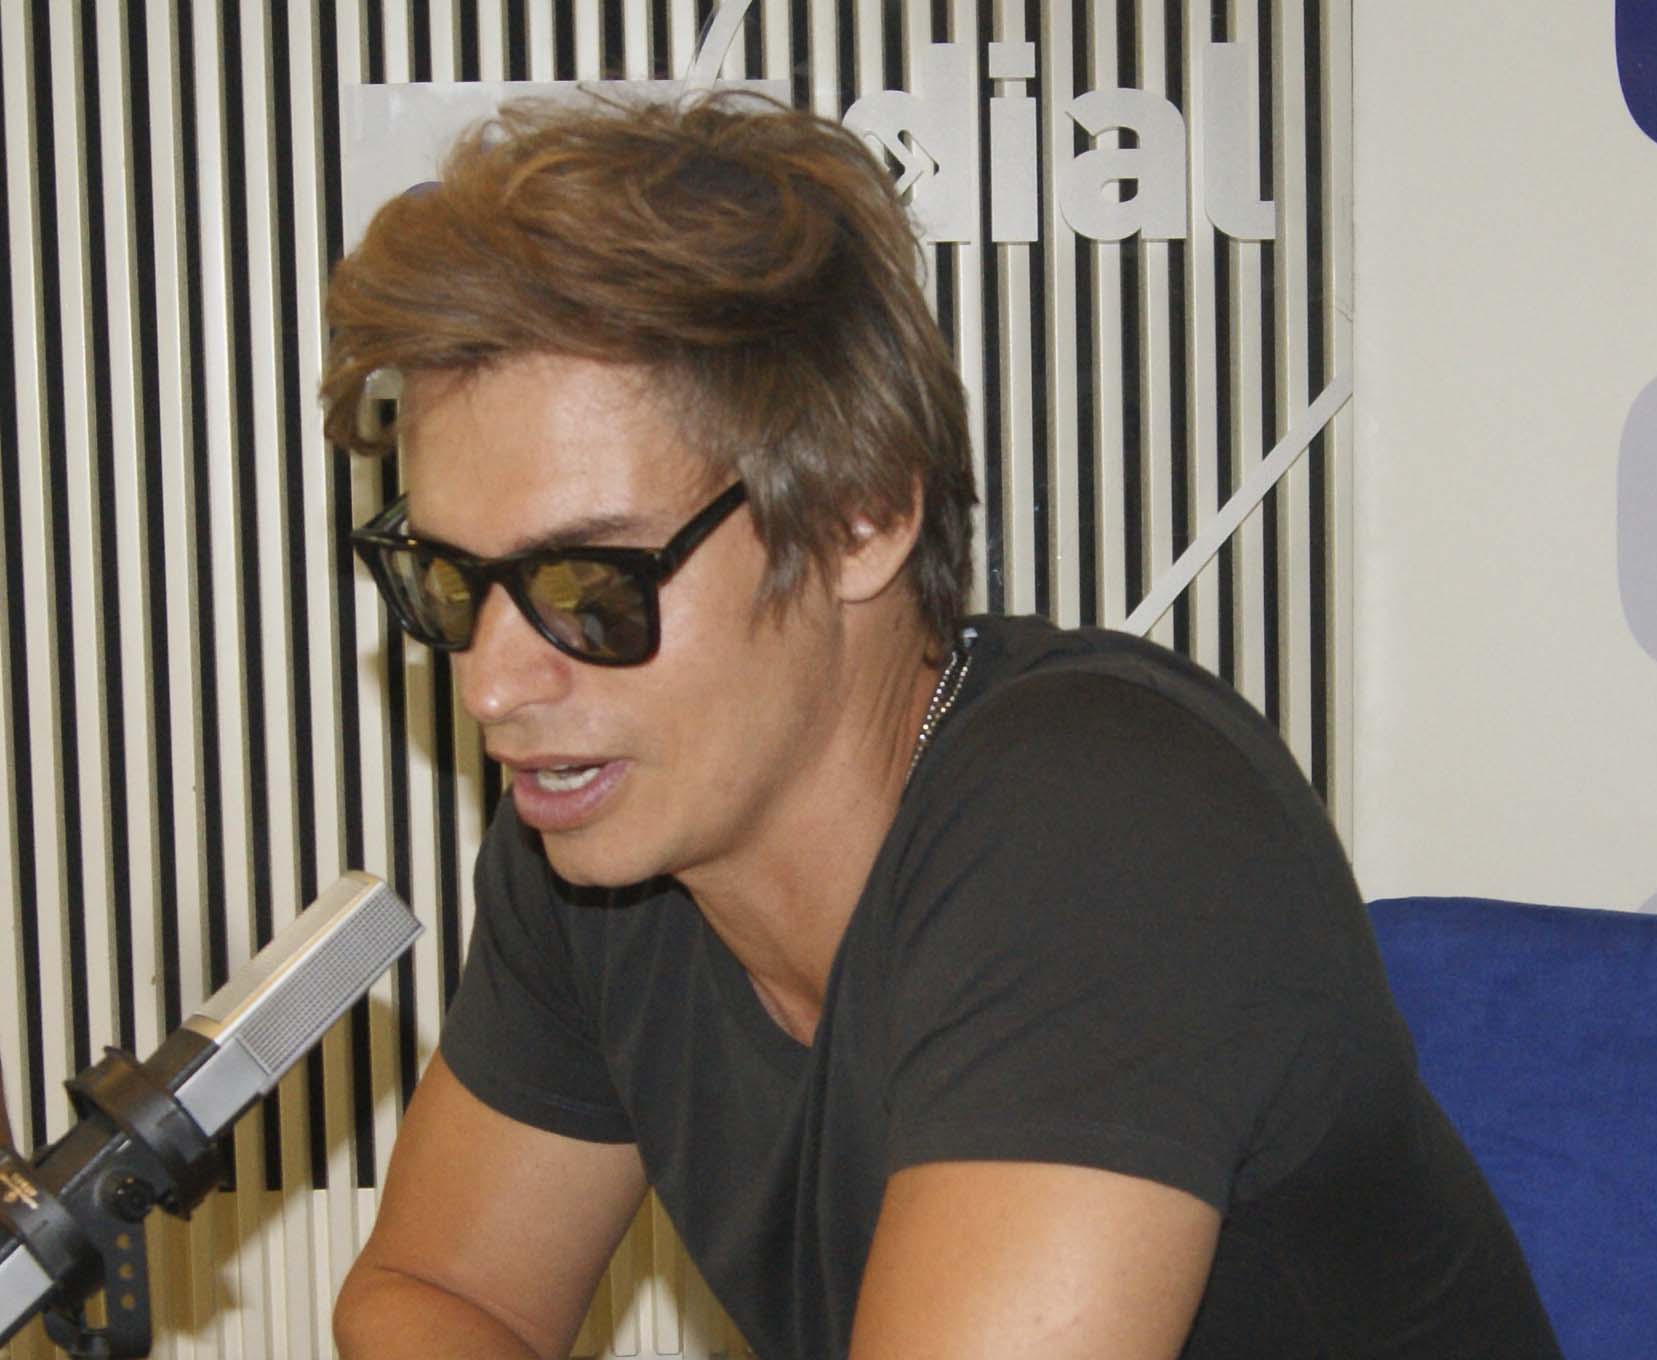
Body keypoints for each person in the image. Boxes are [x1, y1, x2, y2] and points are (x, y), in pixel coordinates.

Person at [321, 92, 1560, 1360]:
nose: (493, 685)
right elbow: (433, 1292)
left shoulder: (1106, 831)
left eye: (591, 584)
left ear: (858, 517)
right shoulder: (604, 823)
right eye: (450, 583)